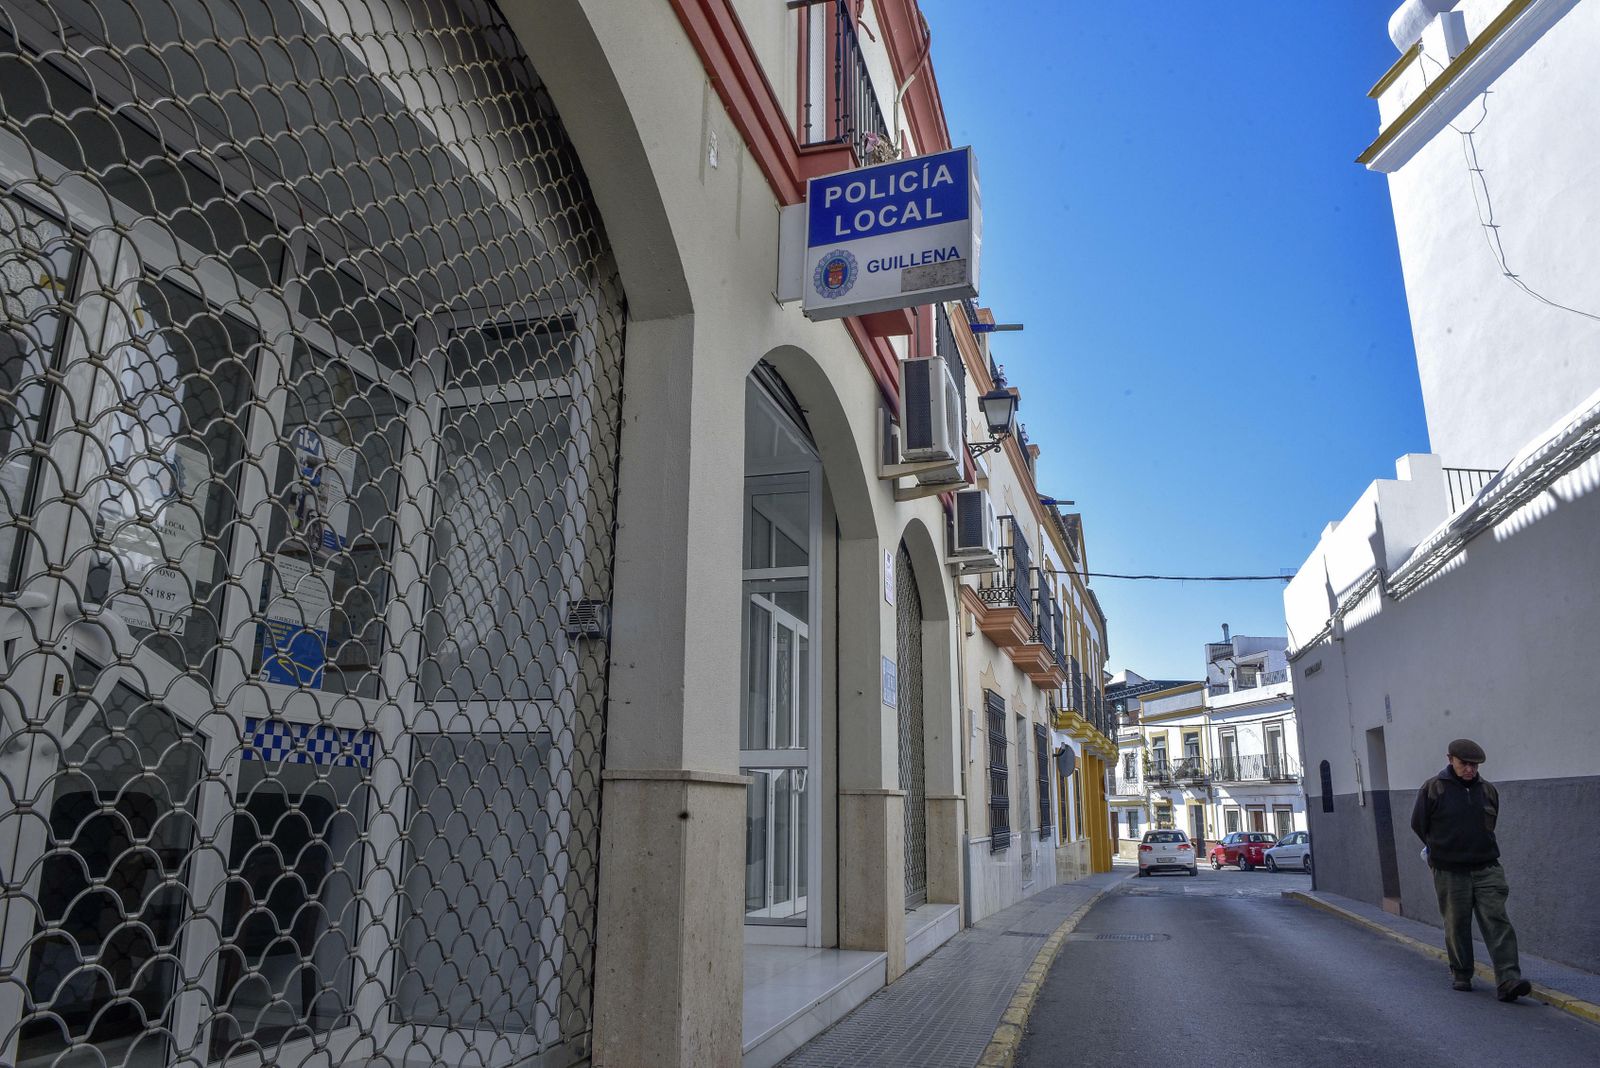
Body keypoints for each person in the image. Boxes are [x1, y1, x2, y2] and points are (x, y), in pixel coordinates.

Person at [1410, 739, 1532, 1002]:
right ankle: (1462, 973)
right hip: (1450, 870)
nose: (1470, 770)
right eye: (1465, 764)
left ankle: (1508, 979)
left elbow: (1491, 823)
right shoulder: (1434, 789)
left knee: (1497, 920)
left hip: (1487, 867)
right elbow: (1419, 824)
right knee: (1457, 923)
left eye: (1474, 766)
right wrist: (1440, 852)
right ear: (1450, 759)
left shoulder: (1487, 791)